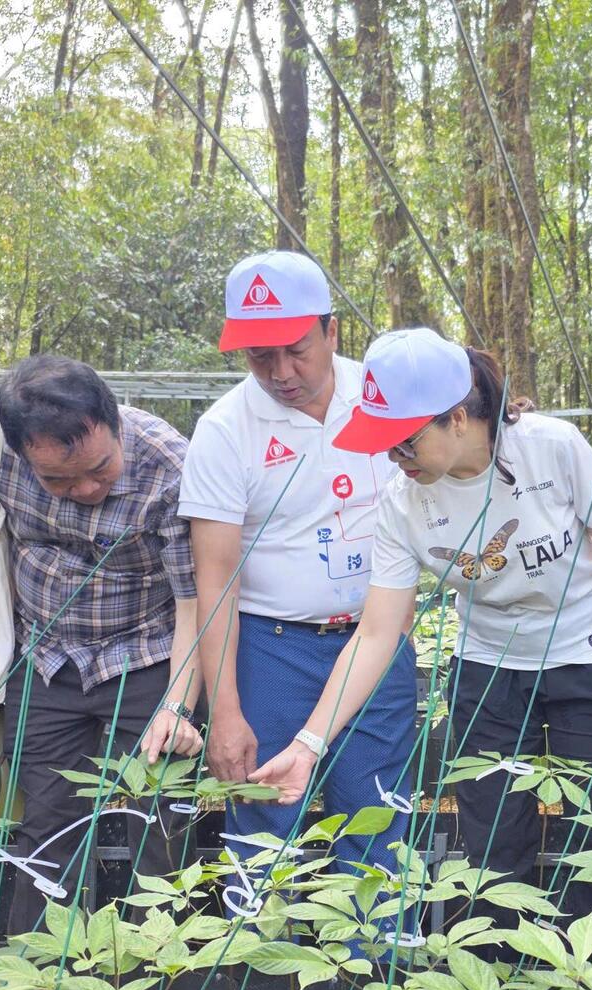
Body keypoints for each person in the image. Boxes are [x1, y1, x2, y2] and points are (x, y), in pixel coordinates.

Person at [245, 327, 592, 935]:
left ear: (457, 419)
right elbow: (379, 634)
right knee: (492, 839)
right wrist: (309, 743)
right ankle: (503, 979)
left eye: (404, 442)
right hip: (487, 660)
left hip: (584, 651)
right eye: (383, 445)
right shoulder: (401, 504)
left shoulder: (551, 447)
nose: (394, 459)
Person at [178, 251, 417, 873]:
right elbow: (216, 577)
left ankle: (376, 967)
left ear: (332, 330)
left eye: (296, 349)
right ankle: (258, 965)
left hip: (374, 644)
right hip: (270, 649)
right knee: (262, 832)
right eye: (260, 356)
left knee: (376, 831)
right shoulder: (226, 429)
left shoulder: (383, 400)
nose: (282, 372)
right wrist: (224, 710)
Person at [0, 354, 205, 936]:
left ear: (115, 425)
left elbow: (195, 602)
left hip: (147, 658)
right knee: (46, 831)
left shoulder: (170, 466)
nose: (86, 490)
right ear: (21, 453)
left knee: (156, 834)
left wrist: (178, 705)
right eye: (59, 481)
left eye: (100, 469)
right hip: (45, 659)